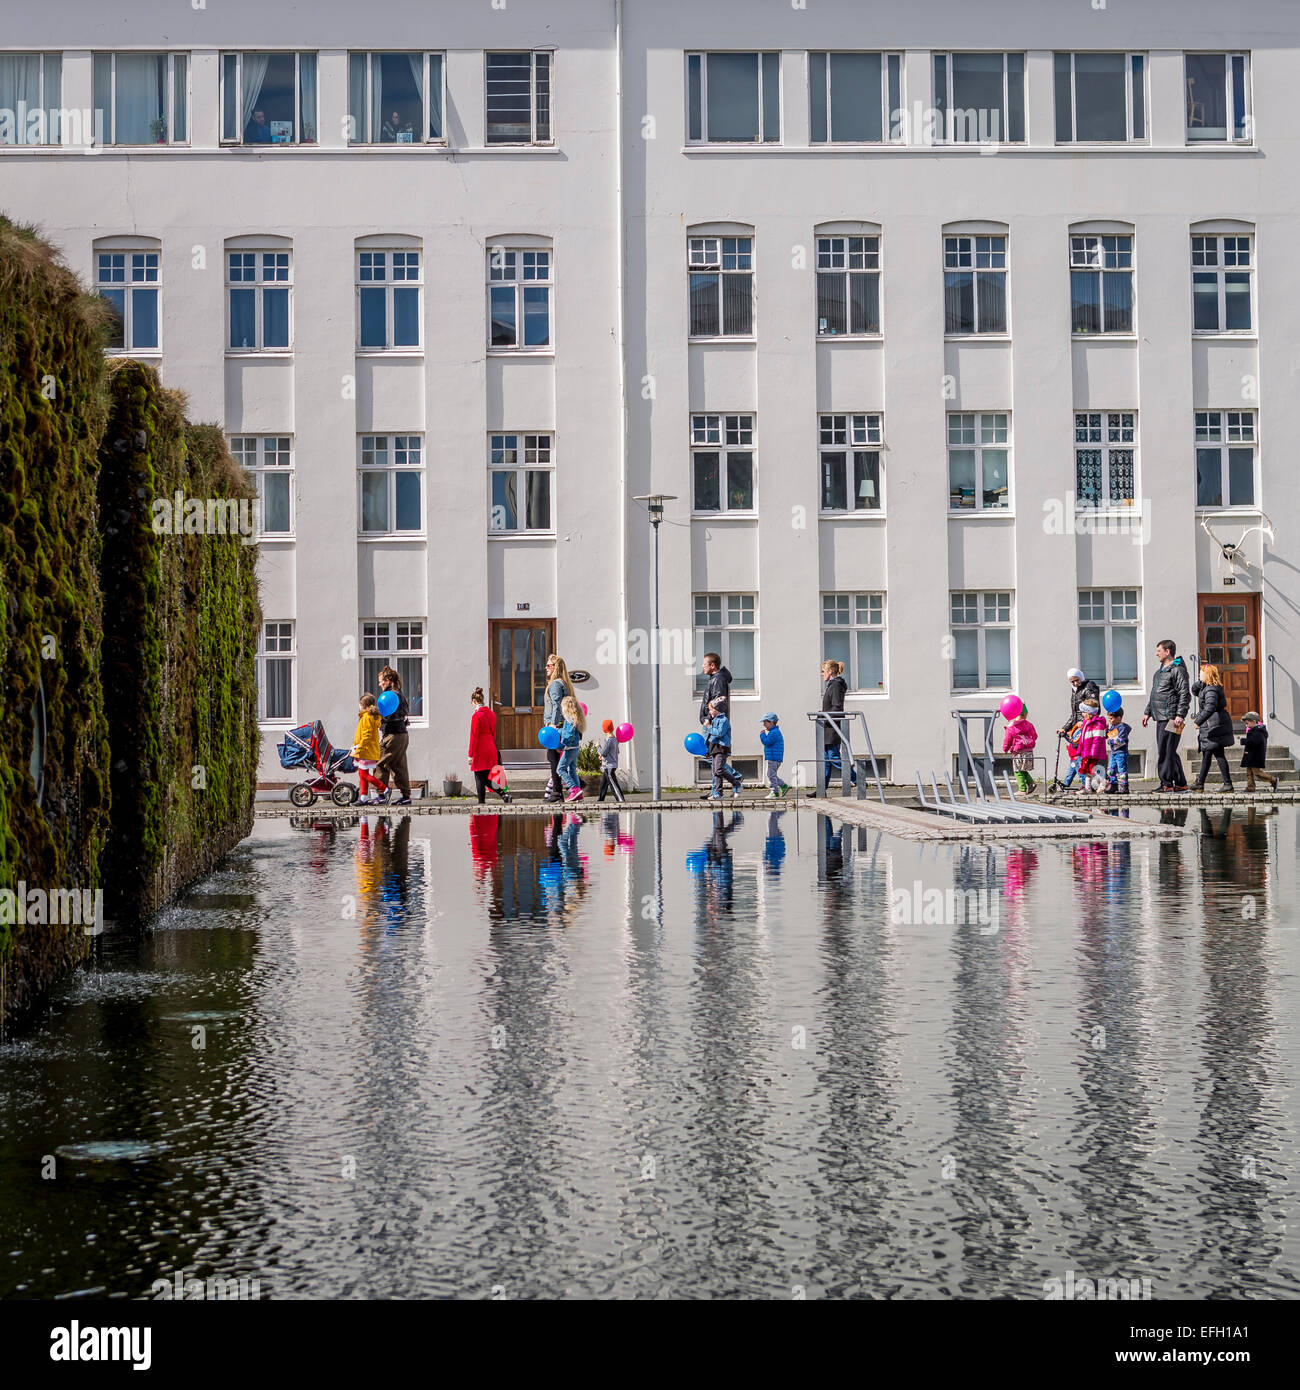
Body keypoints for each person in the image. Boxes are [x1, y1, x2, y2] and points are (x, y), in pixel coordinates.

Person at [1141, 639, 1191, 791]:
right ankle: (1181, 783)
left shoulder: (1177, 670)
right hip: (1160, 716)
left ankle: (1166, 784)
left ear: (1167, 652)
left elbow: (1184, 694)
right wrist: (1147, 712)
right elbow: (1154, 694)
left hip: (1171, 717)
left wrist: (1180, 715)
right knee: (1168, 750)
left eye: (1159, 651)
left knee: (1166, 750)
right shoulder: (1160, 672)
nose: (1157, 654)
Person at [1190, 663, 1235, 791]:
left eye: (1201, 672)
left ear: (1207, 674)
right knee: (1207, 753)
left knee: (1218, 753)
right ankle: (1200, 782)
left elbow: (1210, 707)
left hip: (1213, 725)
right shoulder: (1206, 687)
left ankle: (1227, 784)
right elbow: (1194, 690)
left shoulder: (1211, 690)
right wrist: (1200, 681)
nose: (1199, 674)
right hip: (1212, 724)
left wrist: (1198, 721)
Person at [374, 666, 412, 805]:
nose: (379, 684)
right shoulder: (399, 694)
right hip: (402, 734)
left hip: (392, 735)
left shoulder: (391, 696)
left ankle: (382, 794)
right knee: (398, 766)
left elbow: (386, 716)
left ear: (388, 680)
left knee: (380, 763)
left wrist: (375, 718)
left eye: (381, 681)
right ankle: (406, 796)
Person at [818, 659, 857, 793]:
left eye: (823, 671)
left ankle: (857, 780)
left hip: (832, 728)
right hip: (828, 728)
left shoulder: (835, 686)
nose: (822, 674)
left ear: (830, 671)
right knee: (826, 761)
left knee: (833, 758)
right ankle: (821, 789)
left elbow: (837, 707)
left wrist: (824, 715)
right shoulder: (831, 685)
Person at [468, 687, 511, 805]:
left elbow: (474, 737)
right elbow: (494, 732)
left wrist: (470, 754)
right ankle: (503, 794)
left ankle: (483, 801)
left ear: (474, 701)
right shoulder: (491, 714)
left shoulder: (476, 716)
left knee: (479, 775)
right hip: (491, 746)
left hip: (480, 748)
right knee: (486, 775)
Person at [542, 654, 576, 803]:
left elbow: (556, 706)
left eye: (549, 665)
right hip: (562, 725)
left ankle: (557, 792)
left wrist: (553, 727)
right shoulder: (564, 683)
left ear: (556, 668)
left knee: (553, 758)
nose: (546, 668)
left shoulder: (555, 684)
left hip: (555, 726)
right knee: (556, 758)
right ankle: (564, 789)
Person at [705, 697, 743, 800]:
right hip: (714, 747)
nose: (709, 711)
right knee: (715, 771)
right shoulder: (715, 720)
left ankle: (736, 782)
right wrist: (708, 749)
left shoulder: (723, 720)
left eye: (711, 709)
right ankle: (718, 793)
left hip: (722, 747)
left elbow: (719, 733)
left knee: (718, 769)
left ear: (717, 710)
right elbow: (711, 737)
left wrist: (708, 727)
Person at [351, 692, 385, 804]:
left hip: (365, 750)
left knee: (364, 774)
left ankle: (385, 789)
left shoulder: (366, 718)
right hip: (366, 749)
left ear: (363, 705)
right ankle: (363, 798)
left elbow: (367, 735)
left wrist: (359, 747)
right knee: (362, 774)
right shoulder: (369, 716)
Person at [1002, 703, 1037, 795]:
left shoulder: (1011, 727)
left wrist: (1005, 749)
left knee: (1017, 771)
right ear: (1026, 714)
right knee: (1023, 769)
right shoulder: (1029, 725)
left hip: (1018, 752)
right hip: (1029, 751)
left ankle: (1022, 789)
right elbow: (1035, 736)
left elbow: (1007, 740)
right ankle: (1031, 783)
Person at [1241, 711, 1278, 793]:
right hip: (1250, 755)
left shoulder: (1258, 731)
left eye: (1247, 723)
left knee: (1257, 772)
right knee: (1249, 772)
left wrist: (1244, 741)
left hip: (1255, 756)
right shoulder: (1253, 730)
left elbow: (1254, 742)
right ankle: (1250, 787)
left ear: (1254, 722)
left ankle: (1273, 780)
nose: (1246, 725)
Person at [1057, 668, 1101, 737]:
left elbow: (1095, 710)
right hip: (1079, 729)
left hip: (1087, 729)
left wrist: (1083, 722)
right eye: (1072, 682)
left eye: (1077, 680)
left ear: (1081, 677)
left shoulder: (1089, 687)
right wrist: (1064, 728)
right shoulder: (1075, 690)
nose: (1075, 683)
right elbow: (1075, 715)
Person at [1076, 699, 1108, 792]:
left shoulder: (1097, 724)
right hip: (1087, 750)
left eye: (1083, 712)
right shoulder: (1087, 722)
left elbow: (1097, 740)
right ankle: (1087, 788)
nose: (1082, 714)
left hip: (1092, 752)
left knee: (1093, 769)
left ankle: (1103, 782)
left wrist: (1093, 752)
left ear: (1089, 712)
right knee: (1087, 769)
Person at [558, 694, 585, 802]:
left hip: (569, 748)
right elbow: (571, 733)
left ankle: (574, 789)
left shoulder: (569, 720)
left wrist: (561, 744)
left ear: (566, 707)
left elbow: (568, 735)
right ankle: (579, 795)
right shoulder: (576, 719)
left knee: (560, 769)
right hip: (575, 748)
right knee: (572, 770)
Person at [759, 712, 789, 798]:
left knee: (770, 775)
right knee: (772, 775)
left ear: (771, 722)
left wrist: (762, 735)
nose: (764, 725)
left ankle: (774, 792)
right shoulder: (774, 732)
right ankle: (783, 786)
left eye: (765, 722)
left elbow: (766, 742)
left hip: (773, 757)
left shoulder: (774, 733)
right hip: (775, 757)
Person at [698, 652, 731, 725]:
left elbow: (718, 702)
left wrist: (708, 719)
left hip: (715, 724)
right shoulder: (715, 679)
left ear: (712, 665)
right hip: (713, 723)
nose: (702, 666)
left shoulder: (718, 680)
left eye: (705, 664)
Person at [1104, 706, 1131, 794]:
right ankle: (1113, 784)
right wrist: (1106, 730)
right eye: (1109, 719)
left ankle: (1124, 786)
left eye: (1111, 718)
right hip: (1114, 753)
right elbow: (1107, 736)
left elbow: (1121, 741)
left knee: (1122, 770)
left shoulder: (1122, 727)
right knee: (1110, 770)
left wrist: (1110, 741)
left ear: (1118, 718)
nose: (1110, 721)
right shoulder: (1112, 727)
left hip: (1121, 753)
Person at [597, 719, 624, 803]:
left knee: (613, 784)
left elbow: (603, 752)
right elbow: (616, 751)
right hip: (610, 765)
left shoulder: (608, 740)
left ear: (604, 729)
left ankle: (621, 800)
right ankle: (600, 800)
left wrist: (598, 746)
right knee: (603, 785)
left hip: (609, 766)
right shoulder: (615, 739)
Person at [1061, 718, 1084, 790]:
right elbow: (1072, 740)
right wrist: (1065, 735)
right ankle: (1065, 786)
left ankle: (1085, 785)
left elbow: (1075, 742)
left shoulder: (1082, 732)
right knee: (1070, 773)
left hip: (1077, 757)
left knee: (1081, 773)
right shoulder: (1077, 732)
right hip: (1072, 758)